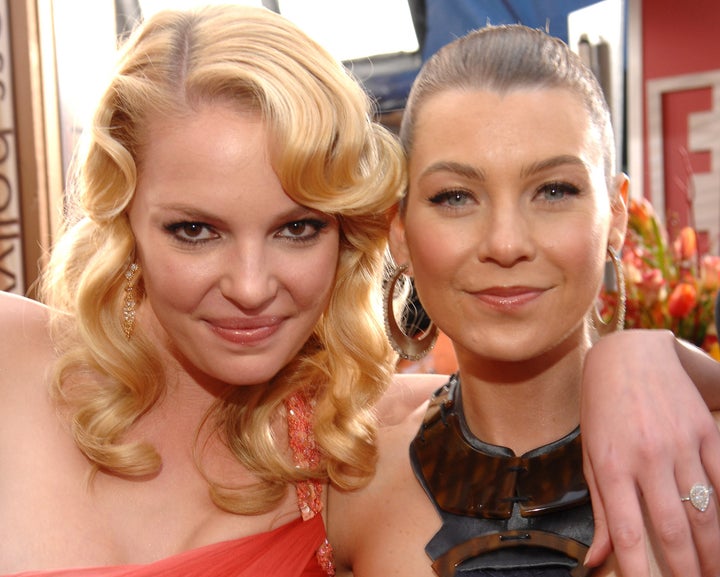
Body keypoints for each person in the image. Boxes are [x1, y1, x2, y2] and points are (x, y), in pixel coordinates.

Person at [0, 5, 718, 576]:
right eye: (195, 229)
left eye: (297, 228)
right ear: (123, 217)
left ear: (353, 234)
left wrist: (641, 355)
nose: (251, 286)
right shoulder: (12, 359)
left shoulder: (343, 448)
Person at [329, 24, 720, 577]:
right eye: (456, 197)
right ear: (399, 232)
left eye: (554, 190)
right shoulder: (347, 482)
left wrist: (660, 354)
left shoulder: (702, 458)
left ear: (616, 217)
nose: (506, 243)